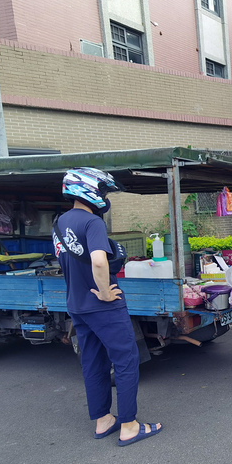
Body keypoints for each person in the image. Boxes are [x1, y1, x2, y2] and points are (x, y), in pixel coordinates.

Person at [54, 167, 162, 446]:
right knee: (126, 360)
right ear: (89, 190)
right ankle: (129, 425)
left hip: (76, 305)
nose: (104, 196)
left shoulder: (59, 223)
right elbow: (99, 261)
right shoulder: (92, 223)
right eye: (102, 190)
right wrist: (104, 292)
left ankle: (103, 420)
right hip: (102, 306)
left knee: (92, 362)